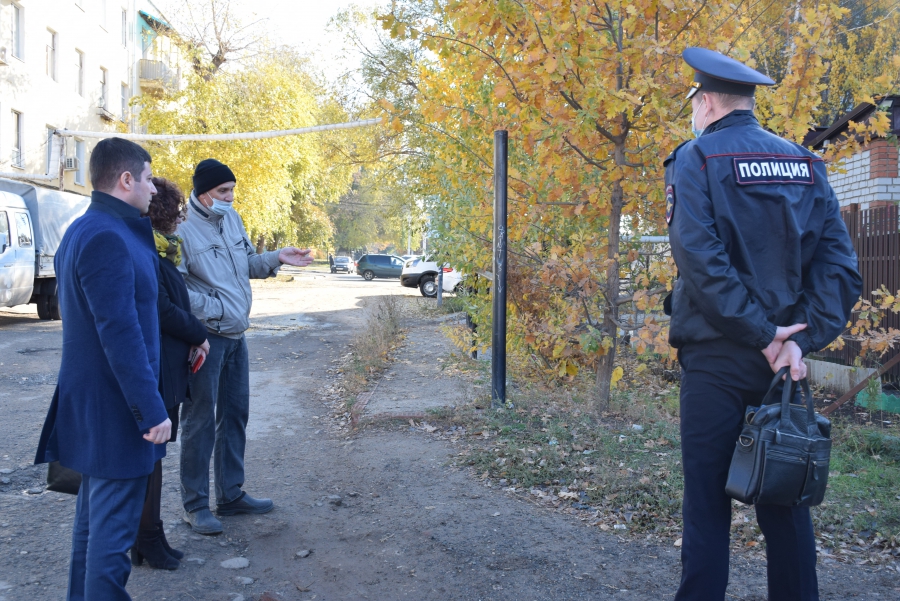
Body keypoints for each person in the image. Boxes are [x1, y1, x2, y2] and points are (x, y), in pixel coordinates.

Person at [664, 48, 862, 601]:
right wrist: (799, 340)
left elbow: (701, 261)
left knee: (706, 504)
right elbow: (841, 268)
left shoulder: (696, 160)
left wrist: (760, 334)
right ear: (747, 103)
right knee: (786, 503)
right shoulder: (806, 163)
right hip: (787, 369)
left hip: (716, 363)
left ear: (704, 103)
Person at [34, 137, 171, 600]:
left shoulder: (84, 229)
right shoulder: (107, 237)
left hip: (98, 407)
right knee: (110, 545)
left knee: (91, 533)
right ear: (126, 179)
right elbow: (120, 334)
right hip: (115, 413)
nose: (155, 189)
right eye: (149, 178)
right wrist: (152, 410)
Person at [177, 158, 314, 535]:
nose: (230, 198)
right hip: (205, 340)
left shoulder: (232, 220)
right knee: (199, 422)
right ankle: (195, 505)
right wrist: (215, 311)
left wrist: (276, 258)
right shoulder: (180, 228)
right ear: (203, 192)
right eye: (223, 191)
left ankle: (231, 495)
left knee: (235, 415)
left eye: (232, 190)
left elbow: (247, 264)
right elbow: (176, 290)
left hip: (237, 336)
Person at [130, 177, 210, 570]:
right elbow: (162, 309)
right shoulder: (149, 252)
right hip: (156, 370)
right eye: (175, 213)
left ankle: (151, 536)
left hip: (167, 368)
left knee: (155, 458)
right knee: (151, 458)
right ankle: (146, 538)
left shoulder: (162, 252)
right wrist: (199, 333)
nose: (180, 220)